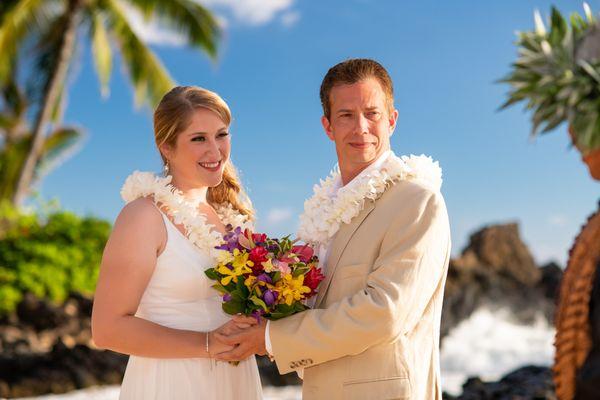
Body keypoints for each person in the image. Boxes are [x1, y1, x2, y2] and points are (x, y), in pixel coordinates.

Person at [215, 59, 452, 400]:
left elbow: (384, 312)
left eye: (372, 113)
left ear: (392, 120)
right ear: (328, 126)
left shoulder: (417, 201)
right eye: (346, 115)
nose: (361, 128)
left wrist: (270, 338)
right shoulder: (325, 210)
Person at [91, 86, 262, 399]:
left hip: (235, 381)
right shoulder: (143, 216)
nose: (215, 150)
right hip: (173, 383)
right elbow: (106, 329)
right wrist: (208, 344)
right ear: (166, 147)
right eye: (198, 138)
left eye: (221, 135)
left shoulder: (233, 218)